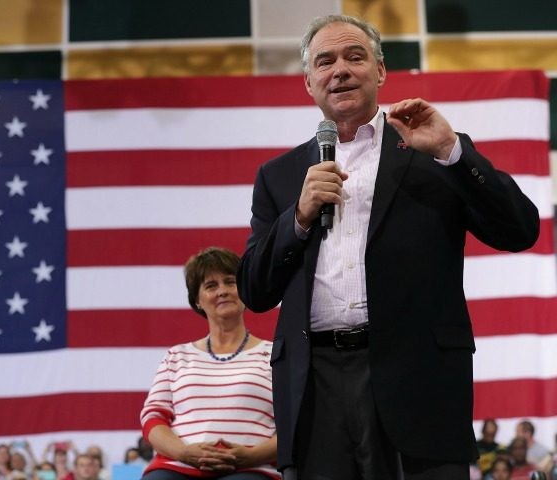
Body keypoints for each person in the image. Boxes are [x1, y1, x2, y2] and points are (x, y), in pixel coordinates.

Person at [236, 13, 540, 480]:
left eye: (354, 57)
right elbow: (255, 290)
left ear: (380, 71)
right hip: (315, 387)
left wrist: (452, 153)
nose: (339, 70)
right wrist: (297, 217)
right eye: (325, 61)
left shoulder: (429, 150)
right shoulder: (279, 176)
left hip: (417, 377)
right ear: (309, 82)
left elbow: (519, 230)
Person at [140, 247, 279, 479]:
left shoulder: (276, 355)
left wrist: (252, 456)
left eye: (230, 282)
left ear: (244, 291)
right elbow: (153, 418)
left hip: (252, 468)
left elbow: (295, 425)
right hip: (178, 466)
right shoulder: (176, 356)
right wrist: (184, 453)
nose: (222, 291)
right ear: (197, 300)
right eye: (211, 286)